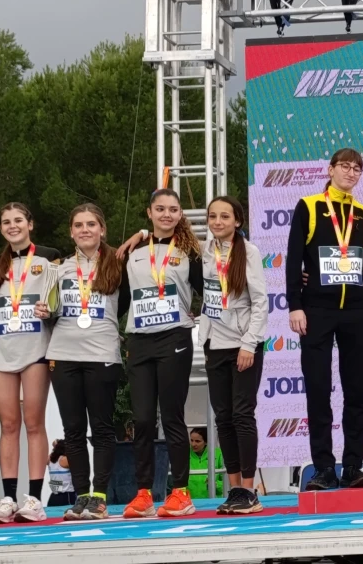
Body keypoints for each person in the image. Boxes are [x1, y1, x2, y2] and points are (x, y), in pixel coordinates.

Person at [286, 149, 363, 491]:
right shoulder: (308, 206)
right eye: (345, 167)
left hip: (355, 311)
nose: (351, 173)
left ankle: (353, 466)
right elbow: (294, 258)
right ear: (330, 169)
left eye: (357, 169)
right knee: (319, 391)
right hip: (317, 311)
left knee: (356, 392)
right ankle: (324, 468)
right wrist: (295, 304)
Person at [119, 188, 204, 518]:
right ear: (149, 212)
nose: (167, 214)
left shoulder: (189, 252)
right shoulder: (133, 250)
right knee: (141, 419)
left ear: (180, 214)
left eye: (173, 209)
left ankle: (180, 492)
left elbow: (209, 289)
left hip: (175, 338)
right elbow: (121, 300)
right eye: (160, 209)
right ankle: (143, 494)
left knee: (171, 416)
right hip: (139, 341)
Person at [49, 204, 126, 521]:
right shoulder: (59, 269)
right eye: (78, 225)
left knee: (103, 429)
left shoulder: (117, 265)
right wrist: (44, 312)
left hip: (102, 354)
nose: (85, 229)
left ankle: (99, 496)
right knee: (73, 431)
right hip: (64, 354)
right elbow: (50, 307)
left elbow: (127, 304)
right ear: (71, 231)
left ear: (102, 229)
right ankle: (81, 497)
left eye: (91, 224)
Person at [0, 203, 61, 523]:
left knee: (34, 423)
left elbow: (59, 301)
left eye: (18, 220)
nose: (12, 225)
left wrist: (51, 311)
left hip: (35, 350)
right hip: (1, 352)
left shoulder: (49, 258)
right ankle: (7, 498)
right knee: (8, 426)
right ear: (1, 228)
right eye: (6, 222)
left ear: (30, 223)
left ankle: (33, 498)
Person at [201, 196, 267, 513]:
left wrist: (249, 343)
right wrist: (143, 236)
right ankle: (235, 489)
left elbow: (260, 302)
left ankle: (250, 491)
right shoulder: (204, 250)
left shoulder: (248, 252)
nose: (217, 222)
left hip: (243, 344)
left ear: (237, 221)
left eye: (224, 216)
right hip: (215, 344)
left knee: (242, 415)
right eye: (212, 216)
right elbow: (169, 234)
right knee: (223, 418)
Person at [187, 428, 224, 499]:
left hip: (212, 502)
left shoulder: (218, 454)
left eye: (197, 441)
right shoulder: (184, 454)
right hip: (189, 503)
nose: (193, 444)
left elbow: (227, 483)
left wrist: (215, 484)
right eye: (191, 440)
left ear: (206, 442)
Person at [46, 440, 75, 507]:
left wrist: (56, 446)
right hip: (67, 495)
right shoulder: (65, 460)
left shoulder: (49, 459)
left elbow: (54, 443)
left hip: (53, 496)